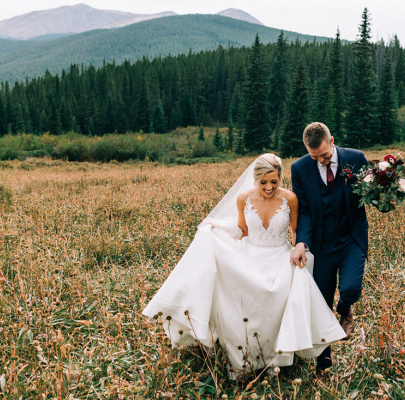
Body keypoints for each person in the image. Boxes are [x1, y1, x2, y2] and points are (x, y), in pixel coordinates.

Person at [143, 153, 345, 379]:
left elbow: (297, 230)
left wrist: (300, 247)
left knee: (282, 287)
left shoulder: (290, 198)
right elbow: (242, 230)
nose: (269, 187)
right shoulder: (244, 199)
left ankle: (277, 357)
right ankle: (244, 357)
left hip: (280, 254)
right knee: (239, 291)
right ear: (255, 179)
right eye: (263, 182)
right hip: (251, 252)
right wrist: (216, 228)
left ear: (280, 178)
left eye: (274, 182)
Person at [290, 122, 369, 374]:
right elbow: (303, 209)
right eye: (315, 157)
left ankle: (345, 310)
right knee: (321, 305)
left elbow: (372, 193)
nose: (321, 161)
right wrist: (301, 242)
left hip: (351, 240)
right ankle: (323, 365)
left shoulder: (356, 159)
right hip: (321, 246)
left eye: (324, 155)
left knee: (351, 287)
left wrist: (386, 197)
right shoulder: (299, 168)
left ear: (332, 140)